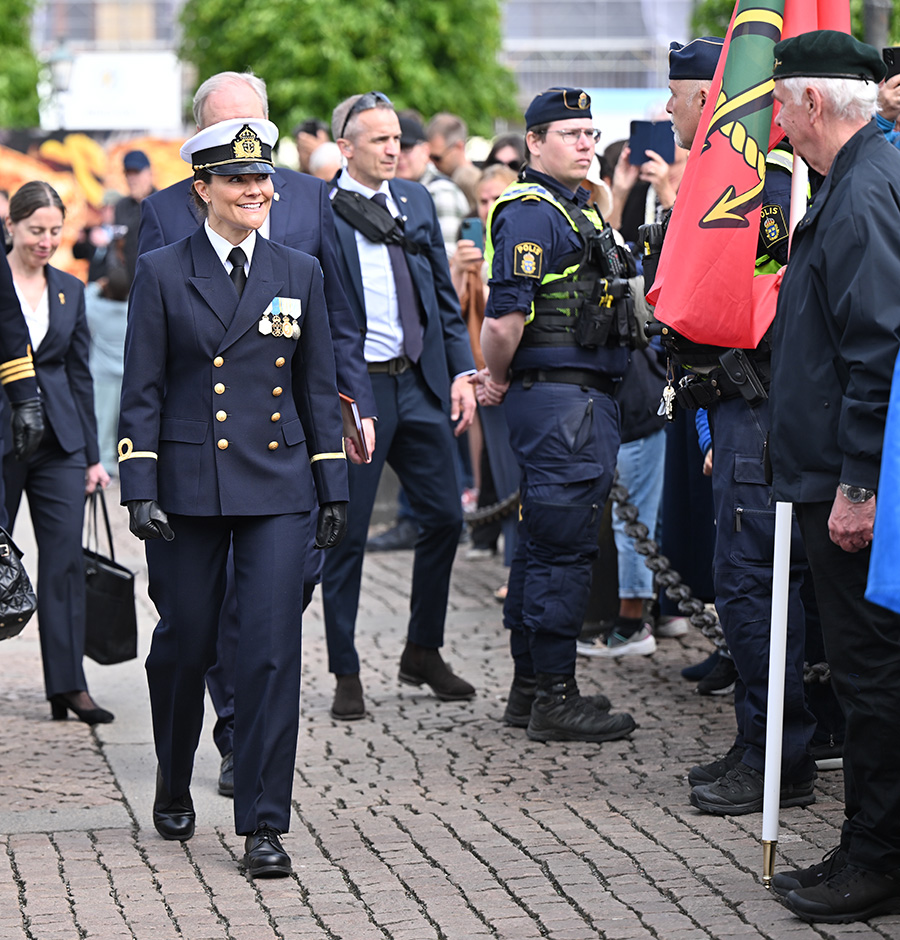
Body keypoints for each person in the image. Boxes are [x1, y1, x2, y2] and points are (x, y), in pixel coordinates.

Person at [118, 118, 348, 878]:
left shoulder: (298, 271)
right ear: (203, 189)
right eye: (239, 180)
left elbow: (316, 387)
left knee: (271, 653)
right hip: (187, 491)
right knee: (186, 643)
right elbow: (142, 389)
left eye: (263, 179)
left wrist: (331, 485)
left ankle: (264, 824)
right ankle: (173, 772)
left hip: (277, 485)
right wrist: (139, 485)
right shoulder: (162, 270)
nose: (257, 191)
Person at [638, 37, 817, 814]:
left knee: (755, 587)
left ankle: (781, 756)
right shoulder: (726, 184)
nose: (668, 109)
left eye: (678, 95)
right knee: (741, 587)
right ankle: (758, 741)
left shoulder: (766, 184)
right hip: (729, 408)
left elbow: (769, 299)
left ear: (712, 103)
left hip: (758, 407)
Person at [766, 31, 900, 924]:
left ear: (812, 101)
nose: (775, 122)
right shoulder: (858, 178)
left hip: (855, 483)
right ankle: (868, 842)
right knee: (864, 671)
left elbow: (876, 345)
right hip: (840, 470)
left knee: (870, 673)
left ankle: (879, 857)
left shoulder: (862, 190)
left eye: (780, 103)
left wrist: (858, 483)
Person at [478, 87, 637, 742]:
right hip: (561, 403)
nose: (585, 144)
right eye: (570, 133)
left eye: (590, 133)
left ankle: (530, 690)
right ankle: (554, 695)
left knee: (546, 544)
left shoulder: (576, 209)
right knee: (563, 550)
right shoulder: (530, 211)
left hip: (574, 401)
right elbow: (504, 319)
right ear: (534, 142)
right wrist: (494, 375)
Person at [321, 91, 478, 721]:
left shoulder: (414, 200)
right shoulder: (321, 210)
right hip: (358, 389)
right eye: (380, 140)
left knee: (444, 518)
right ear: (346, 147)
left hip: (418, 381)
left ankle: (422, 650)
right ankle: (345, 669)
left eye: (398, 139)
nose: (394, 149)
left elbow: (442, 296)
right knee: (348, 534)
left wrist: (461, 370)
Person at [3, 181, 110, 723]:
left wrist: (92, 456)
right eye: (35, 230)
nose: (45, 241)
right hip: (4, 439)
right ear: (12, 226)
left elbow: (79, 374)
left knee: (65, 562)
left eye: (54, 231)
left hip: (61, 444)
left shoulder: (70, 288)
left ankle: (68, 684)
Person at [84, 267, 129, 472]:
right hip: (127, 375)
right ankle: (123, 461)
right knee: (123, 423)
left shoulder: (97, 310)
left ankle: (104, 464)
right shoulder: (132, 309)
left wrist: (96, 285)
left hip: (103, 376)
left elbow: (83, 298)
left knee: (103, 422)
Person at [114, 150, 155, 284]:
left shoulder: (162, 203)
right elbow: (116, 244)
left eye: (136, 173)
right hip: (129, 283)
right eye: (128, 173)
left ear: (149, 173)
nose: (131, 179)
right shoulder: (121, 206)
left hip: (156, 282)